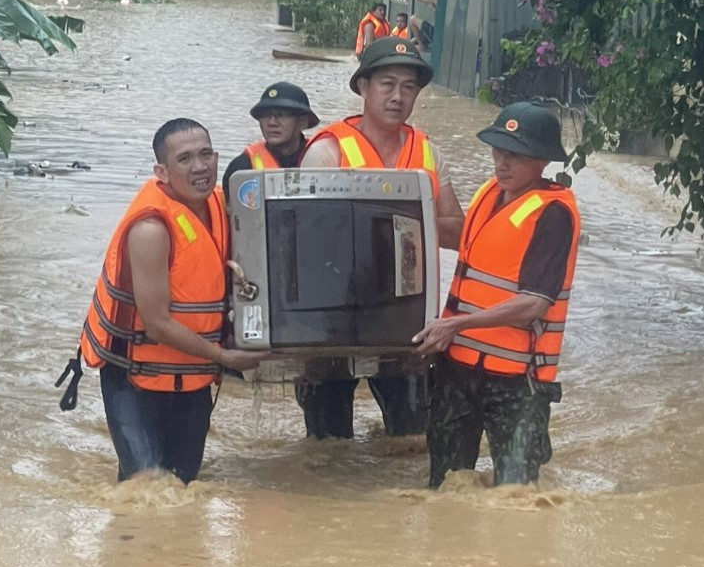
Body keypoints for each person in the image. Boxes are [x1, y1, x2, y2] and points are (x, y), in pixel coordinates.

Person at [66, 118, 267, 484]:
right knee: (148, 485)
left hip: (193, 379)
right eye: (185, 159)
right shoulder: (151, 229)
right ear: (162, 171)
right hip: (135, 377)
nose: (200, 167)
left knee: (182, 486)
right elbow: (156, 323)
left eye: (206, 154)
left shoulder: (225, 209)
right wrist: (225, 358)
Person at [298, 36, 465, 440]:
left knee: (411, 440)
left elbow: (459, 232)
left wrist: (408, 219)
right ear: (363, 87)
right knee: (328, 446)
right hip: (333, 320)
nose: (398, 96)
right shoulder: (328, 152)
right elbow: (303, 242)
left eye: (409, 87)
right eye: (387, 84)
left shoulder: (429, 153)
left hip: (406, 320)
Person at [412, 102, 580, 488]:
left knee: (517, 496)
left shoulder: (553, 215)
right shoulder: (490, 193)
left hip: (517, 382)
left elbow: (534, 304)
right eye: (498, 151)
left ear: (541, 161)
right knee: (446, 485)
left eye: (514, 156)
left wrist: (458, 323)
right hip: (457, 369)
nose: (501, 163)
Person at [222, 82, 320, 190]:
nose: (272, 122)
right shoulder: (242, 168)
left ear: (302, 122)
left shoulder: (324, 159)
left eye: (281, 115)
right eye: (265, 115)